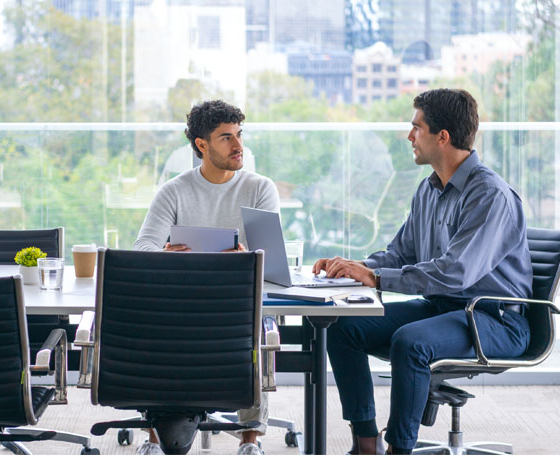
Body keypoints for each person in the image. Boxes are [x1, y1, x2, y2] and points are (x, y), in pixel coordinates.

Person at [313, 89, 532, 455]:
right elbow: (402, 253)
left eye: (416, 128)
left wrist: (378, 279)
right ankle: (366, 443)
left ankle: (401, 449)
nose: (409, 136)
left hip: (495, 319)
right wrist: (355, 267)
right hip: (444, 308)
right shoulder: (429, 189)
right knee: (342, 326)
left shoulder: (490, 195)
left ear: (441, 137)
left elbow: (457, 271)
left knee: (411, 342)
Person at [133, 99, 280, 455]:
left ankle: (250, 440)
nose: (238, 146)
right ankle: (155, 437)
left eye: (239, 135)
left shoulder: (259, 188)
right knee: (153, 324)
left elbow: (272, 262)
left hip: (238, 301)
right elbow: (142, 249)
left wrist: (248, 257)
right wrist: (164, 255)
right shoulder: (174, 190)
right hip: (184, 300)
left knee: (253, 324)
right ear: (202, 145)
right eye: (226, 138)